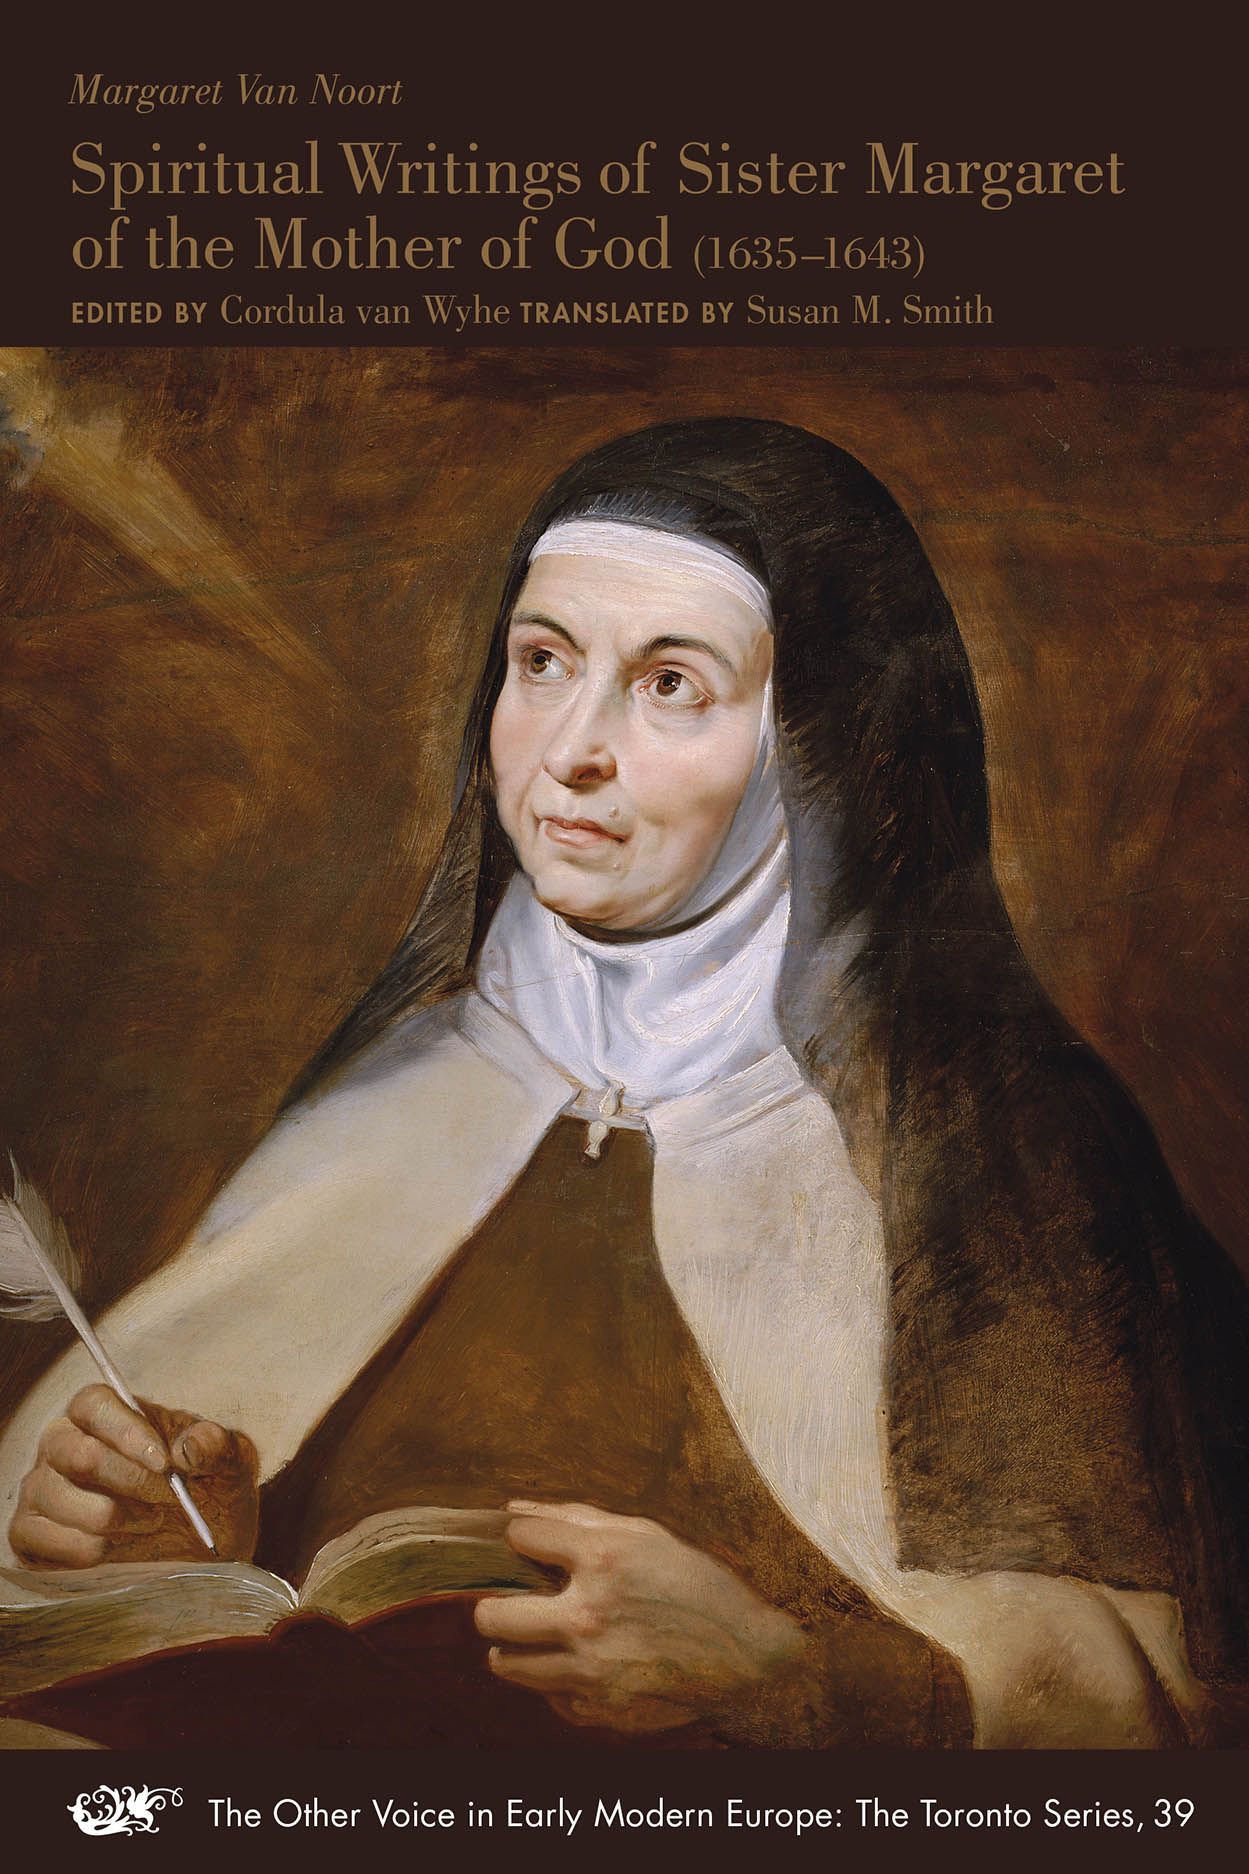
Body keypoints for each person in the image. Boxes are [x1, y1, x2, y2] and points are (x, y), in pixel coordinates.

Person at [1, 418, 1246, 1749]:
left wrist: (789, 1682)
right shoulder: (394, 1098)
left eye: (670, 685)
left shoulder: (995, 1157)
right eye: (541, 663)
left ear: (817, 744)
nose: (570, 751)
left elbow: (1142, 1730)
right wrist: (168, 1552)